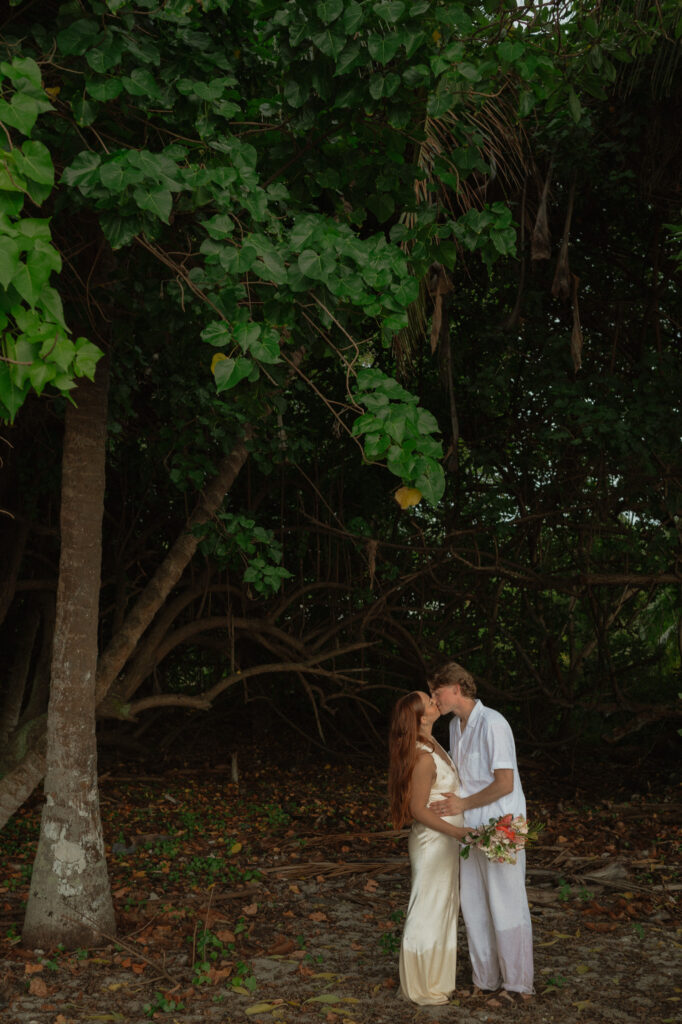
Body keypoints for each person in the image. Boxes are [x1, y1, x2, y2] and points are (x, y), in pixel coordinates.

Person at [428, 661, 534, 1005]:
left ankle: (518, 987)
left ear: (457, 687)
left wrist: (462, 803)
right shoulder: (457, 727)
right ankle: (486, 981)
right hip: (470, 830)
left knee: (507, 902)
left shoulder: (494, 723)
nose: (434, 698)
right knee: (473, 904)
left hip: (500, 825)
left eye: (437, 691)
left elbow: (504, 782)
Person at [388, 690, 470, 1005]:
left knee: (444, 907)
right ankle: (417, 985)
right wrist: (459, 831)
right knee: (426, 909)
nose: (437, 702)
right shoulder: (422, 756)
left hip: (446, 840)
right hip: (433, 842)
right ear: (422, 718)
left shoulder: (432, 744)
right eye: (431, 702)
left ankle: (436, 979)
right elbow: (417, 810)